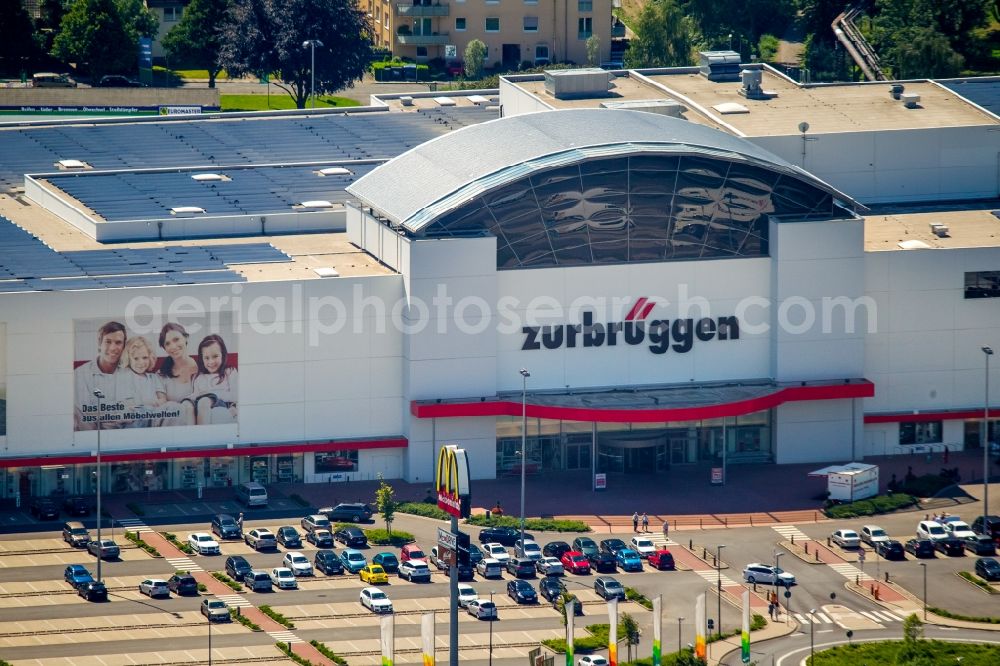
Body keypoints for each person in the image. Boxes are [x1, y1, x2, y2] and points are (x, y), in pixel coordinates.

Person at [74, 321, 131, 430]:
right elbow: (83, 414)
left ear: (124, 346)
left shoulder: (130, 372)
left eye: (118, 342)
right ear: (100, 344)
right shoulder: (81, 374)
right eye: (108, 342)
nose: (113, 347)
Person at [189, 334, 238, 425]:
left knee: (205, 401)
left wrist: (211, 395)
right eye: (206, 358)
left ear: (222, 355)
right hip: (202, 408)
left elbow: (236, 395)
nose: (211, 362)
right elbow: (195, 395)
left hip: (223, 405)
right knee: (201, 402)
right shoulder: (198, 377)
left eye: (215, 356)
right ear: (202, 359)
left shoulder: (229, 371)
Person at [119, 335, 167, 427]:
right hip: (136, 418)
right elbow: (129, 404)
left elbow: (163, 399)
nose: (141, 362)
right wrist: (151, 402)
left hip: (154, 416)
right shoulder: (125, 377)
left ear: (150, 358)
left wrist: (155, 403)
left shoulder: (154, 378)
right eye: (136, 358)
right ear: (128, 359)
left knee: (173, 407)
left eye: (145, 357)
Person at [158, 322, 199, 425]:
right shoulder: (161, 375)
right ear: (165, 348)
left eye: (176, 339)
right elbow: (163, 407)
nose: (173, 346)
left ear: (186, 338)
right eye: (167, 343)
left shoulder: (203, 368)